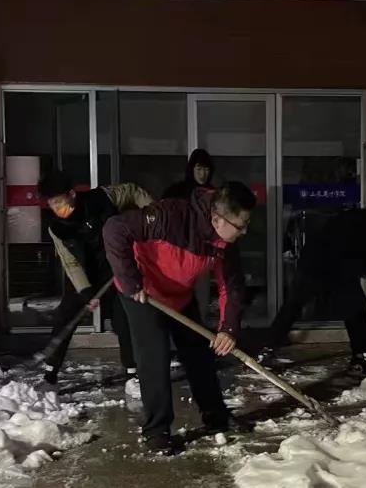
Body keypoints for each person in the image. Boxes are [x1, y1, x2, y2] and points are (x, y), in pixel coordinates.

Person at [103, 182, 256, 455]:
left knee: (199, 354)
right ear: (218, 219)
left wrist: (228, 329)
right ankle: (157, 431)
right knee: (155, 357)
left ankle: (216, 416)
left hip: (179, 296)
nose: (244, 232)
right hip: (143, 293)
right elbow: (115, 229)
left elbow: (231, 287)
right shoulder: (170, 216)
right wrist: (131, 280)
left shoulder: (225, 242)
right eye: (241, 225)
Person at [262, 202, 366, 375]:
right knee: (294, 304)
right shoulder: (353, 221)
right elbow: (344, 253)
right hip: (315, 265)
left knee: (357, 307)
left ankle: (358, 357)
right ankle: (268, 349)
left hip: (343, 271)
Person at [38, 170, 154, 388]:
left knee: (123, 319)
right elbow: (70, 262)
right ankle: (50, 376)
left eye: (59, 202)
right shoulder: (57, 228)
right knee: (65, 316)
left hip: (116, 267)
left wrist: (153, 213)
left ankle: (132, 374)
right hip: (84, 271)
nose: (56, 208)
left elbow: (132, 191)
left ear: (72, 194)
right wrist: (85, 291)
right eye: (52, 204)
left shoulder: (102, 198)